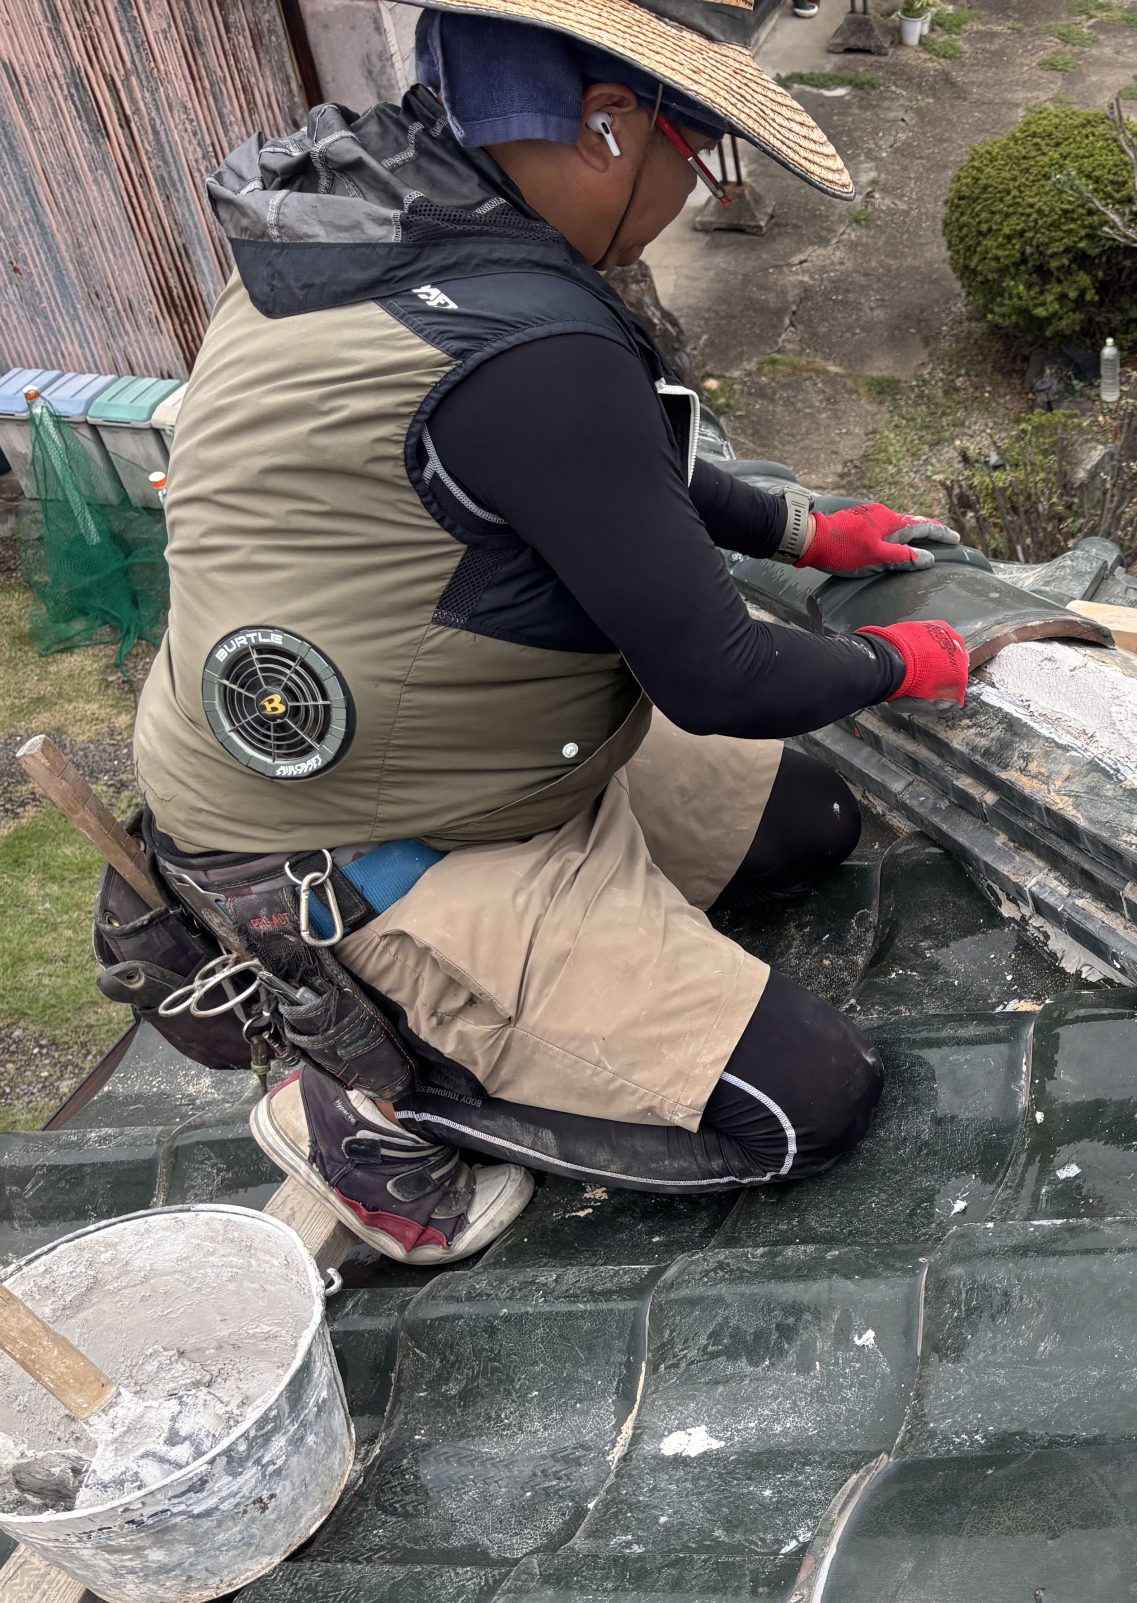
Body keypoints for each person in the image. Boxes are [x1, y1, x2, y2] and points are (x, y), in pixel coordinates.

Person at [130, 0, 959, 1264]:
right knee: (805, 1103)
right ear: (607, 127)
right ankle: (362, 1083)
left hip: (477, 762)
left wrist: (806, 533)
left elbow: (593, 465)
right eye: (703, 152)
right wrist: (897, 664)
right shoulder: (515, 336)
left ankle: (572, 961)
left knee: (809, 824)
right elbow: (720, 673)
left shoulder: (385, 217)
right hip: (354, 847)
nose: (700, 187)